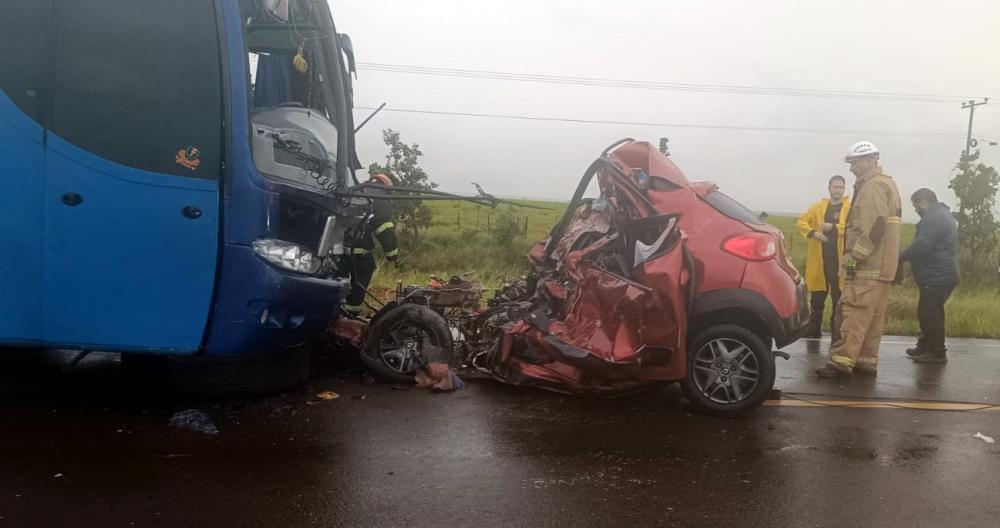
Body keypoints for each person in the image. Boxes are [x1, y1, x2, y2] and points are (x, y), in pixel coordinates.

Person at [816, 141, 902, 378]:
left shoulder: (873, 187)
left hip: (868, 267)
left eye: (854, 163)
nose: (851, 168)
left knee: (852, 314)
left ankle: (840, 363)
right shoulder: (887, 184)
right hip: (882, 268)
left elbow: (874, 229)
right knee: (872, 319)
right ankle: (865, 361)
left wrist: (853, 261)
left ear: (869, 160)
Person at [899, 189, 959, 364]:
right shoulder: (941, 214)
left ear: (923, 202)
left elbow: (922, 245)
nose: (916, 209)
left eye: (916, 205)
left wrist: (900, 257)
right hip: (939, 274)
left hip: (937, 275)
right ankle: (925, 346)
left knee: (931, 314)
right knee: (927, 312)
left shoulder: (934, 218)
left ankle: (937, 352)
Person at [796, 175, 851, 338]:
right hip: (820, 260)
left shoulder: (850, 207)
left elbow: (854, 227)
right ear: (829, 188)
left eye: (841, 187)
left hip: (840, 261)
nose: (838, 190)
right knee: (817, 299)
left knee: (838, 298)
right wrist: (813, 233)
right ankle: (813, 330)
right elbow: (800, 222)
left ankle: (837, 332)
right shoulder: (818, 207)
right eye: (835, 187)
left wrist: (833, 227)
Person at [343, 172, 399, 316]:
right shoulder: (379, 199)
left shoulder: (355, 190)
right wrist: (392, 256)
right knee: (359, 283)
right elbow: (385, 231)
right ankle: (349, 315)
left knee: (340, 283)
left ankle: (337, 311)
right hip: (359, 253)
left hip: (337, 251)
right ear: (385, 189)